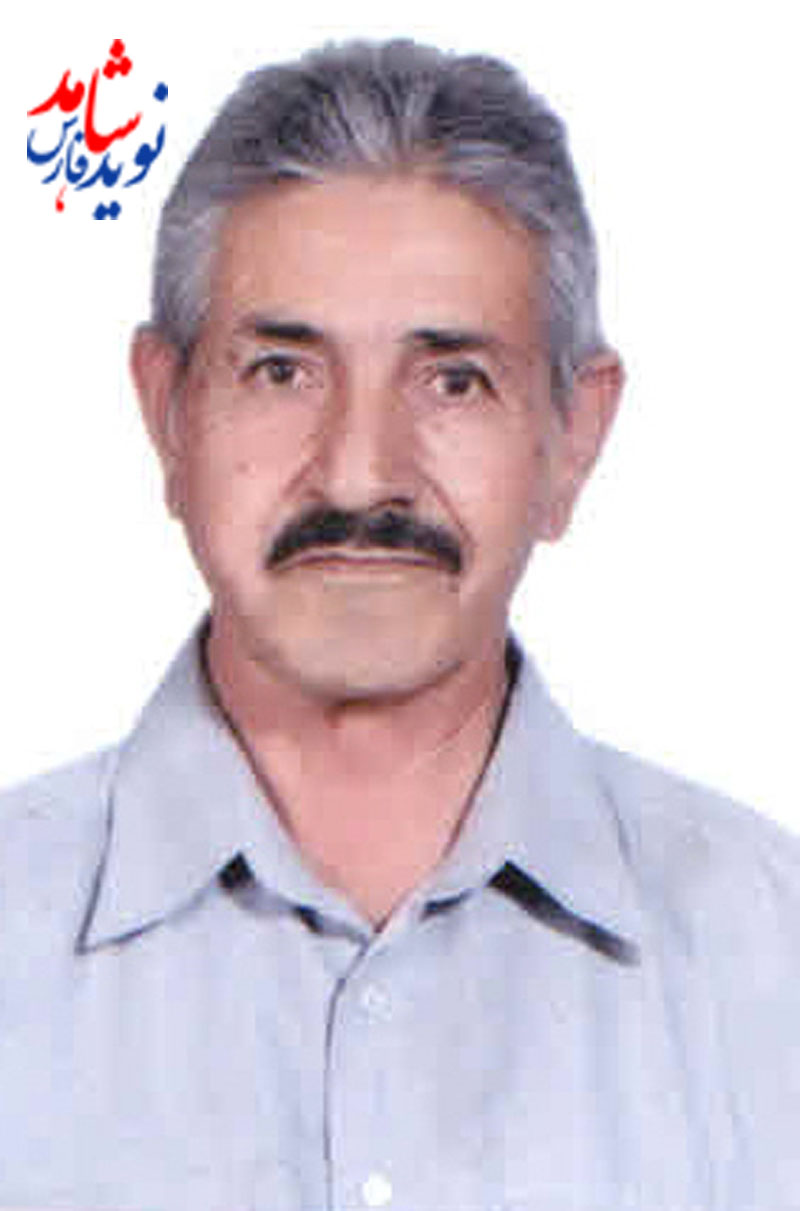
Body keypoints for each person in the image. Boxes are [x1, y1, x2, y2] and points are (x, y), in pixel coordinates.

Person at [2, 38, 797, 1211]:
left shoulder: (770, 955)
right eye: (280, 371)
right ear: (167, 411)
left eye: (453, 379)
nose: (360, 472)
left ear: (572, 436)